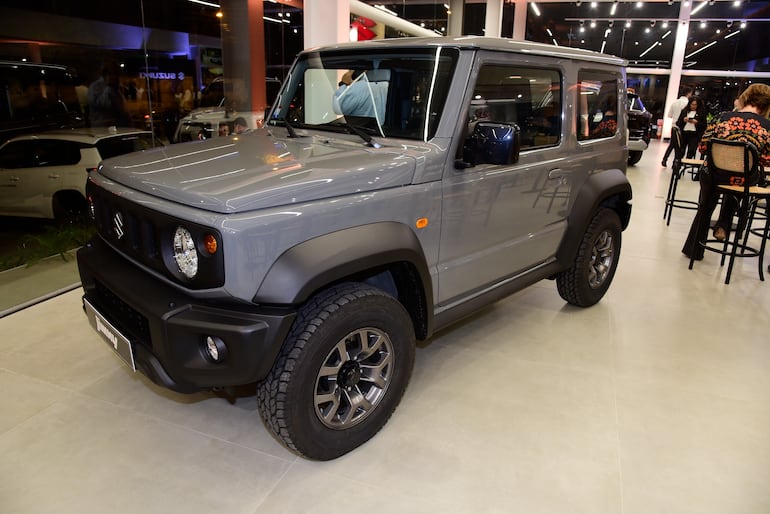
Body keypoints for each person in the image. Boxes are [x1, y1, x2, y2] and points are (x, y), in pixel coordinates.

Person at [682, 83, 770, 260]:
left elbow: (703, 147)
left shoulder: (721, 117)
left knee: (706, 205)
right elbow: (766, 160)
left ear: (744, 98)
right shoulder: (767, 127)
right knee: (739, 183)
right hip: (742, 182)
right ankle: (725, 223)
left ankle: (694, 250)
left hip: (713, 176)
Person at [88, 60, 132, 128]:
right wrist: (109, 88)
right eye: (111, 74)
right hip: (102, 127)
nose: (114, 77)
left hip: (117, 125)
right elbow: (102, 104)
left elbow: (121, 108)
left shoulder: (115, 88)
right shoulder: (96, 86)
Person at [662, 86, 693, 166]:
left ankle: (665, 159)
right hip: (683, 127)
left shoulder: (675, 103)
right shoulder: (688, 104)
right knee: (680, 146)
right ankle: (675, 163)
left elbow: (669, 115)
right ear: (689, 94)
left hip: (674, 126)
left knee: (672, 144)